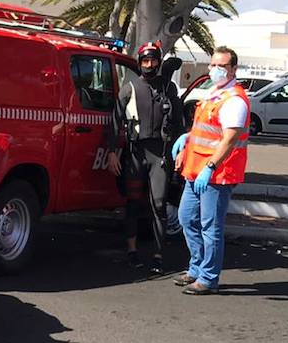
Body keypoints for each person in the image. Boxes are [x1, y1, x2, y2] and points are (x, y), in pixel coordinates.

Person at [172, 47, 250, 294]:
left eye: (221, 66)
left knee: (211, 227)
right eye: (212, 64)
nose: (214, 70)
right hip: (195, 170)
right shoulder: (214, 93)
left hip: (217, 174)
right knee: (186, 219)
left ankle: (208, 278)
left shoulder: (234, 100)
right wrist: (187, 139)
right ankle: (196, 267)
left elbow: (229, 139)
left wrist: (210, 167)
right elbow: (207, 129)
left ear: (233, 69)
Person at [104, 41, 182, 272]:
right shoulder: (129, 88)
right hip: (135, 153)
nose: (149, 65)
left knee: (159, 203)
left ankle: (158, 255)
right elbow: (115, 121)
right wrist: (111, 153)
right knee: (133, 202)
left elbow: (178, 124)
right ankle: (132, 251)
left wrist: (179, 151)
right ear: (140, 63)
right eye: (145, 61)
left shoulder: (168, 88)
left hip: (160, 154)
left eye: (153, 60)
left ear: (158, 62)